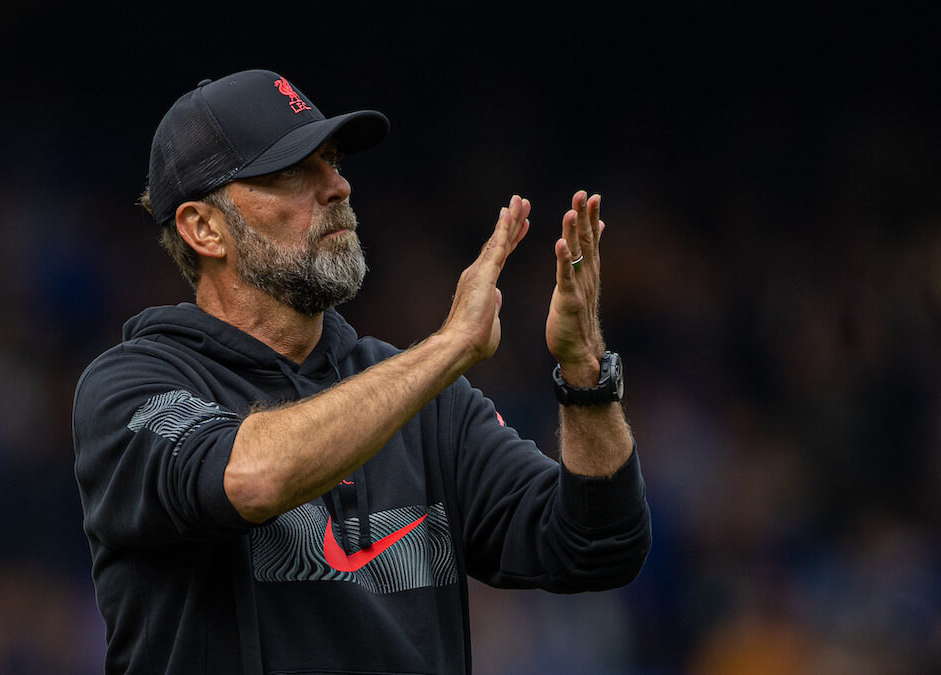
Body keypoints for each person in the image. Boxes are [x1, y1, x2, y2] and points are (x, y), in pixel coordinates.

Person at [72, 69, 651, 674]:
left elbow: (598, 545)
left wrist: (587, 381)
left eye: (333, 162)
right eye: (293, 171)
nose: (339, 187)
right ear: (204, 228)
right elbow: (250, 477)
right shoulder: (129, 387)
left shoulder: (430, 401)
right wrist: (448, 347)